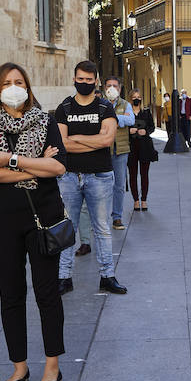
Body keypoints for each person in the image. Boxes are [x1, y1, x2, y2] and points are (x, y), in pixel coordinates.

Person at [0, 62, 68, 381]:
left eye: (19, 82)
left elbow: (58, 167)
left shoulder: (47, 121)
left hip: (43, 218)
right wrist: (35, 165)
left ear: (28, 87)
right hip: (2, 220)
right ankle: (19, 367)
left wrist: (10, 161)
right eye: (6, 83)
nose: (13, 87)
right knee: (10, 294)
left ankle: (52, 366)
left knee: (46, 293)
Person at [55, 61, 128, 295]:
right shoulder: (64, 108)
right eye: (80, 79)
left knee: (103, 229)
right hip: (69, 177)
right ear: (74, 79)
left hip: (100, 176)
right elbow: (61, 144)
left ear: (96, 81)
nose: (84, 83)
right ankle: (64, 277)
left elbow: (107, 141)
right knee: (68, 228)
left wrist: (75, 139)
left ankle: (107, 277)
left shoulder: (105, 107)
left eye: (89, 80)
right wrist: (91, 140)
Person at [103, 75, 135, 230]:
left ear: (120, 88)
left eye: (115, 86)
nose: (112, 88)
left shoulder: (125, 104)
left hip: (121, 150)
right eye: (109, 85)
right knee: (102, 185)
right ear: (104, 88)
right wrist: (121, 118)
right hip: (103, 150)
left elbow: (131, 120)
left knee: (119, 185)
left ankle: (117, 217)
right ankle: (101, 217)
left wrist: (113, 118)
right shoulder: (100, 104)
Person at [127, 89, 157, 211]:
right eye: (134, 97)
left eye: (139, 97)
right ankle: (135, 200)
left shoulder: (146, 112)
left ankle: (144, 200)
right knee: (132, 175)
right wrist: (129, 131)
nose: (137, 99)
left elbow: (152, 127)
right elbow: (121, 128)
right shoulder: (127, 112)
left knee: (144, 174)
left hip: (145, 146)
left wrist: (146, 131)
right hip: (131, 147)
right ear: (130, 98)